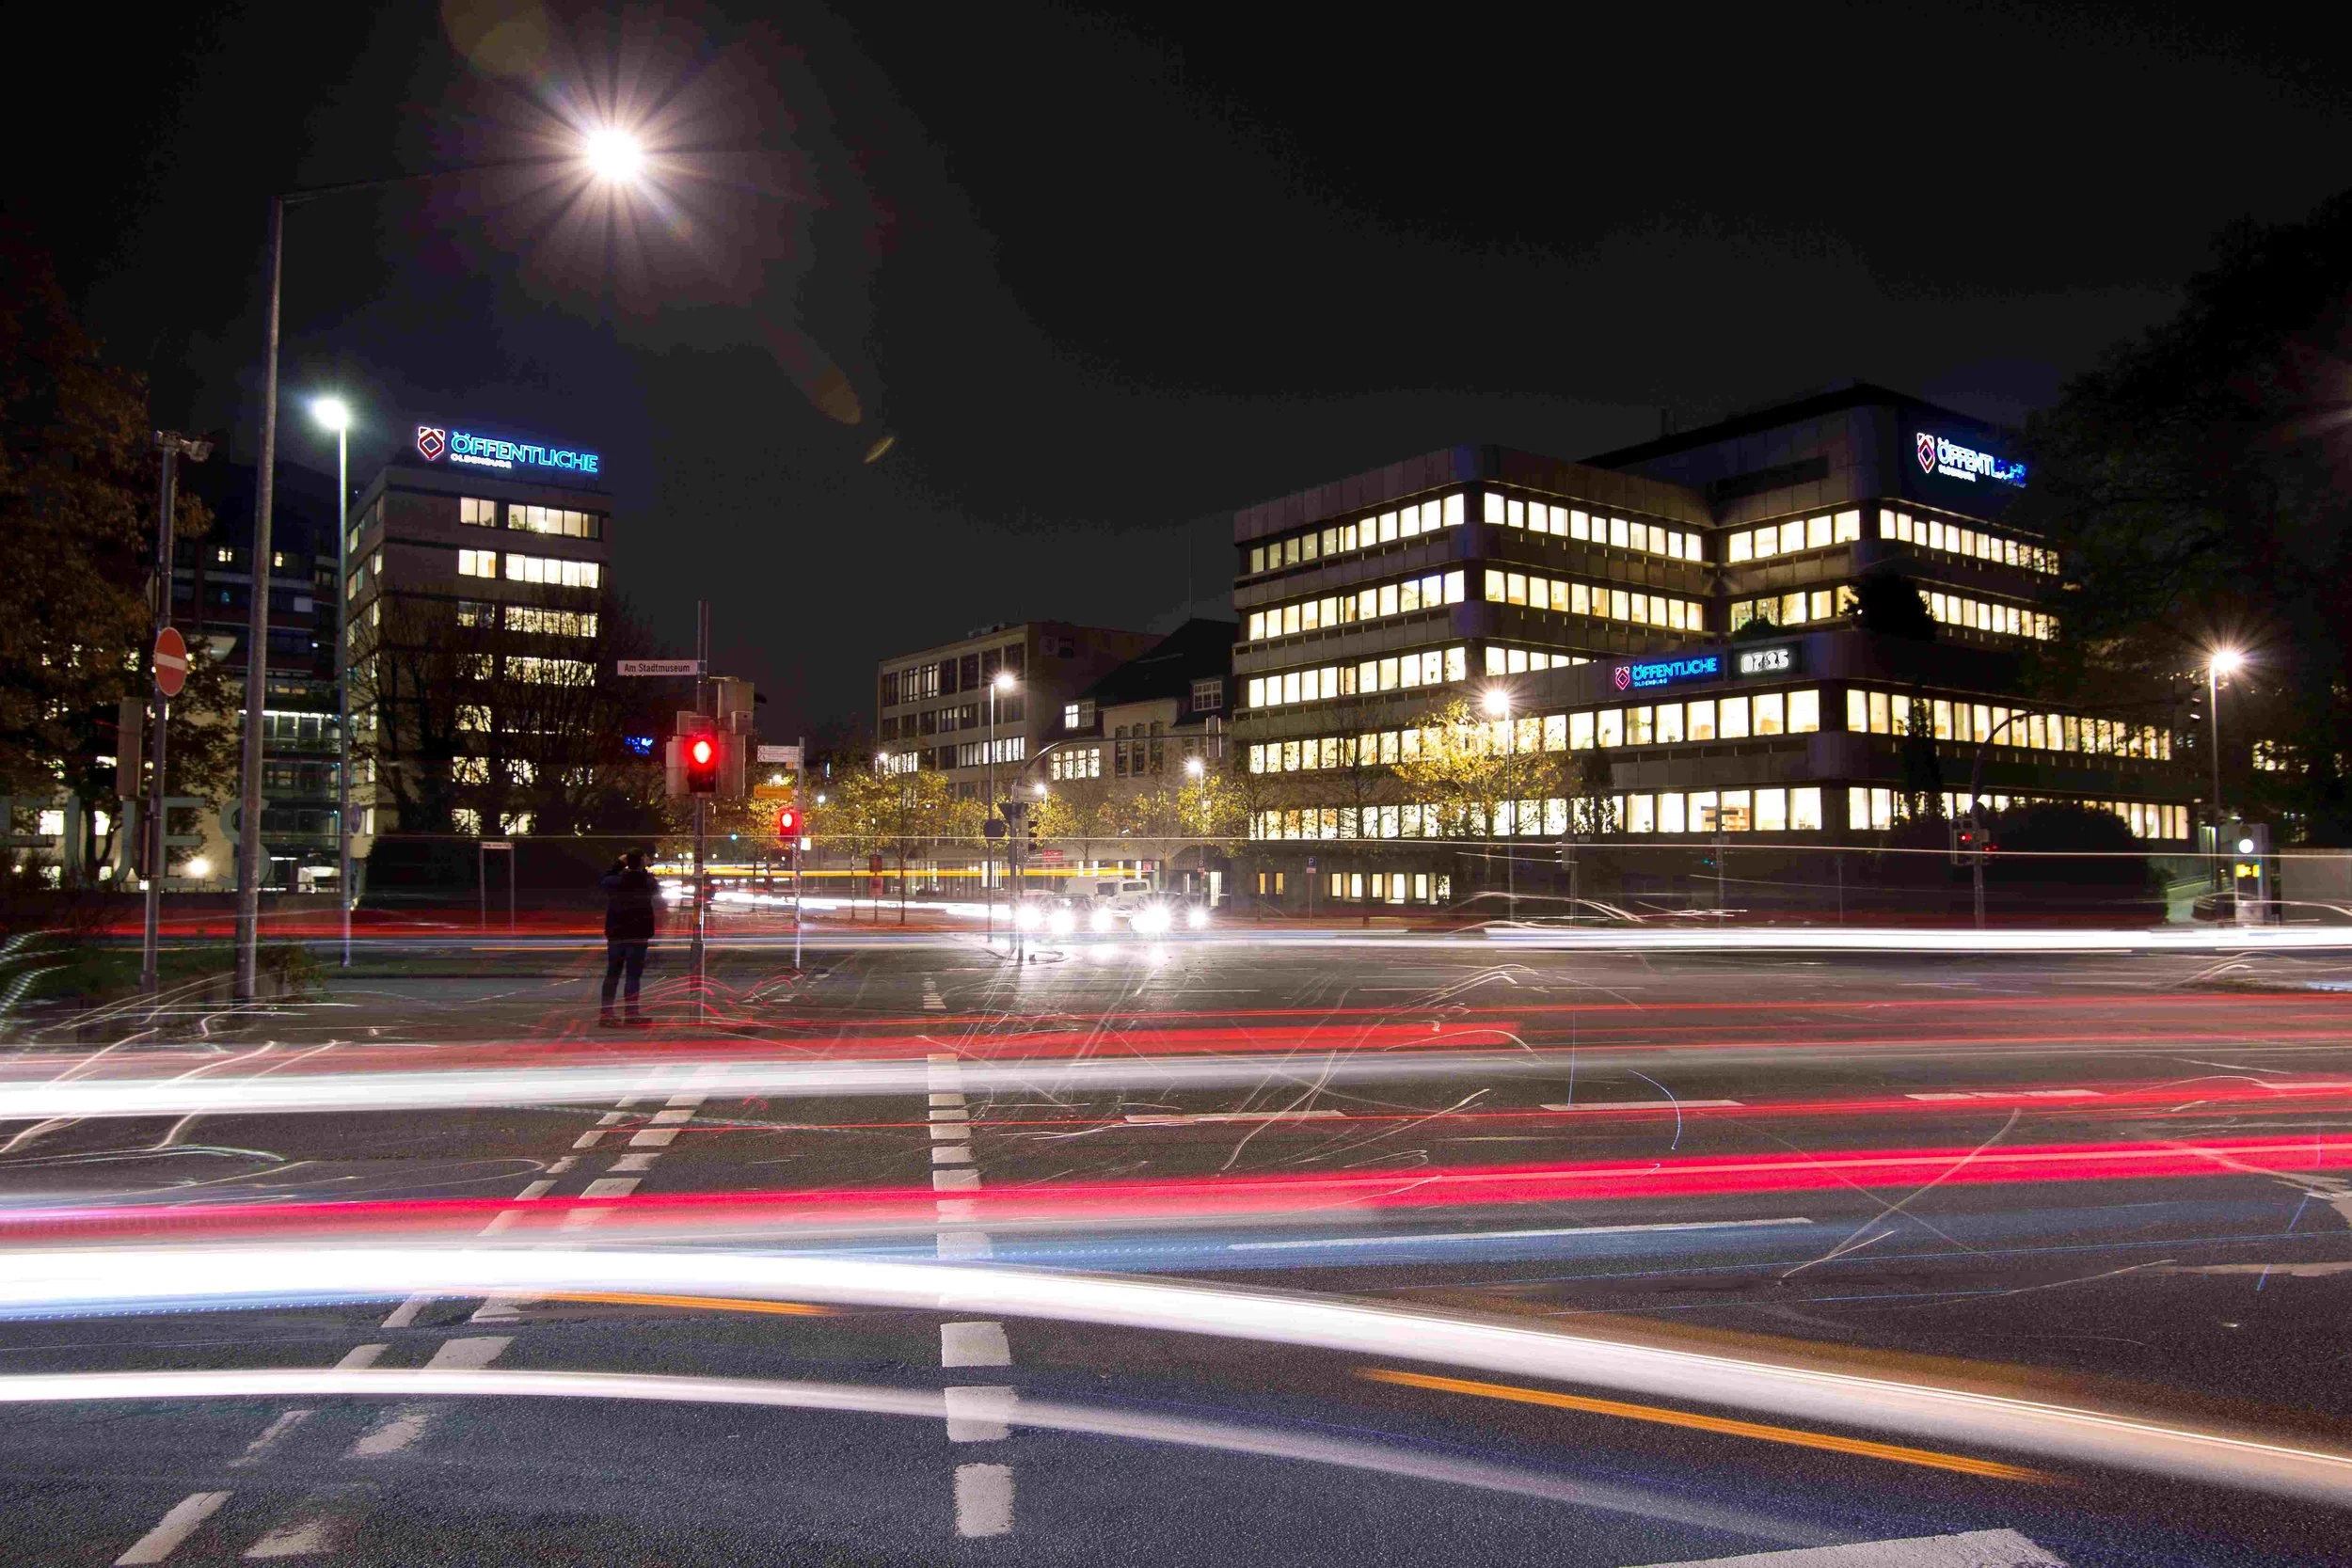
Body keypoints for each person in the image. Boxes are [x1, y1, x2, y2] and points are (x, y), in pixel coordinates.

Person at [599, 850, 661, 1025]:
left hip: (617, 933)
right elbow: (654, 887)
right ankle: (632, 1013)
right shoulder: (646, 881)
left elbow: (604, 880)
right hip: (638, 933)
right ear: (642, 861)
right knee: (633, 975)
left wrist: (618, 864)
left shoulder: (615, 881)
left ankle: (607, 1014)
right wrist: (643, 867)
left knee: (612, 974)